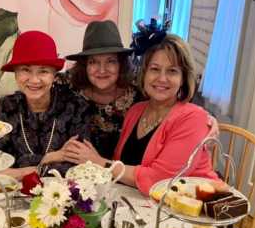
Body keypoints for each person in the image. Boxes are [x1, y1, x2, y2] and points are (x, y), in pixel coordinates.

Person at [64, 34, 219, 195]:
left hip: (193, 206)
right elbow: (121, 164)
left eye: (172, 71)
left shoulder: (193, 119)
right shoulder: (136, 111)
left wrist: (99, 162)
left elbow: (161, 181)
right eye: (155, 69)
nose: (162, 78)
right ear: (144, 73)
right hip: (139, 200)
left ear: (183, 78)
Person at [0, 30, 91, 180]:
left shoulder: (77, 107)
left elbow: (78, 168)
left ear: (54, 75)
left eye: (43, 71)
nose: (34, 80)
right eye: (26, 70)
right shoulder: (5, 107)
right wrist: (50, 157)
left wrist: (19, 169)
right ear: (15, 74)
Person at [61, 20, 144, 159]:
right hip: (78, 171)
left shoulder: (139, 90)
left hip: (125, 172)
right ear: (84, 66)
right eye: (93, 62)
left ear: (121, 64)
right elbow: (39, 80)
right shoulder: (68, 84)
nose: (102, 70)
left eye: (110, 61)